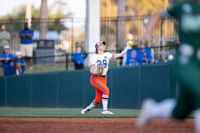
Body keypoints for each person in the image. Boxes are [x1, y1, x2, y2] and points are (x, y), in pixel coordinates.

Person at [137, 1, 200, 133]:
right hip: (185, 61)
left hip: (197, 65)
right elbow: (158, 15)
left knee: (180, 111)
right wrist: (148, 33)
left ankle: (152, 110)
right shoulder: (184, 7)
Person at [81, 41, 130, 115]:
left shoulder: (107, 54)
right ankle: (104, 110)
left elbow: (119, 55)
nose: (103, 45)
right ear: (97, 47)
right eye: (101, 44)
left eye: (104, 44)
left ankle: (86, 109)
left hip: (104, 78)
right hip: (95, 78)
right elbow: (91, 70)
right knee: (106, 90)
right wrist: (98, 71)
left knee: (98, 100)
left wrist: (126, 49)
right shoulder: (94, 57)